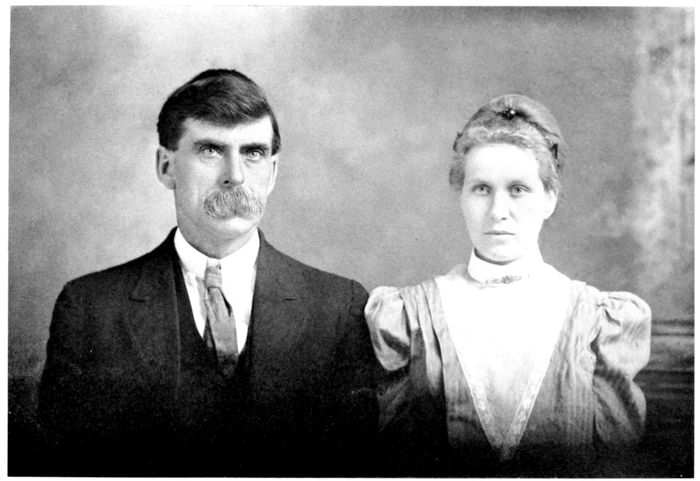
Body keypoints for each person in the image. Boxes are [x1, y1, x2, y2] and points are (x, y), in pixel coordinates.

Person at [38, 68, 378, 476]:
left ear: (273, 172)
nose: (235, 175)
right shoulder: (90, 309)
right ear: (166, 167)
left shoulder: (339, 308)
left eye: (253, 153)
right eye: (211, 150)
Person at [365, 94, 651, 477]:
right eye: (481, 189)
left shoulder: (598, 320)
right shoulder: (409, 315)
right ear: (461, 196)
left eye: (518, 189)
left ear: (550, 199)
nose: (498, 211)